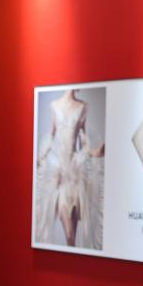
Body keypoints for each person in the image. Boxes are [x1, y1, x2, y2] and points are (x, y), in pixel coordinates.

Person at [34, 89, 105, 247]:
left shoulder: (83, 107)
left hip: (75, 177)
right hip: (60, 177)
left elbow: (84, 144)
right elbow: (51, 137)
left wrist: (96, 152)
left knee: (71, 236)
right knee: (68, 233)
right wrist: (38, 159)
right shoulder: (54, 105)